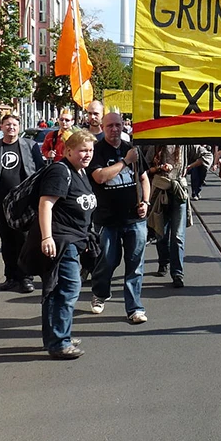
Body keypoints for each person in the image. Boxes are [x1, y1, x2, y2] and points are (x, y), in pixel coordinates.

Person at [20, 130, 99, 359]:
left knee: (56, 290)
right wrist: (47, 238)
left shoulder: (80, 171)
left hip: (73, 239)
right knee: (68, 289)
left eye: (90, 150)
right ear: (68, 151)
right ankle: (59, 342)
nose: (87, 154)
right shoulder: (60, 171)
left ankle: (57, 335)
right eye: (82, 150)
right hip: (61, 241)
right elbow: (46, 205)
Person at [87, 113, 150, 323]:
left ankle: (134, 308)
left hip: (135, 219)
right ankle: (100, 293)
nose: (114, 129)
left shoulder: (132, 149)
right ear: (103, 128)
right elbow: (100, 176)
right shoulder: (96, 151)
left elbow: (143, 178)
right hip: (107, 219)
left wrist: (146, 202)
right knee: (107, 261)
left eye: (118, 125)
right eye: (110, 126)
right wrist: (125, 162)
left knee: (135, 264)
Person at [0, 113, 44, 292]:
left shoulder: (30, 146)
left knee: (24, 239)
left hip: (24, 202)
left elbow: (42, 170)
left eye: (14, 124)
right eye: (7, 124)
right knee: (7, 241)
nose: (11, 127)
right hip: (1, 203)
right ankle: (11, 276)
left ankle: (26, 278)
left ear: (19, 127)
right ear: (1, 127)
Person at [145, 144, 212, 287]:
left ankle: (177, 273)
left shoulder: (185, 145)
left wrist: (191, 166)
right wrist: (159, 168)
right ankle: (164, 262)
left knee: (177, 236)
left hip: (179, 192)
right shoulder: (155, 146)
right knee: (160, 233)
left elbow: (207, 155)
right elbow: (145, 168)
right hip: (160, 192)